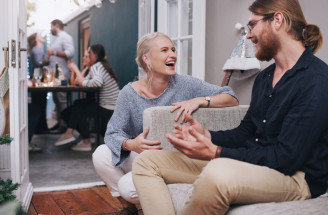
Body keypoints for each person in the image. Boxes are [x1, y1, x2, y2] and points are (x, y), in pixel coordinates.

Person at [132, 0, 328, 214]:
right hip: (258, 163)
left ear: (277, 20)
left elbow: (286, 159)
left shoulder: (316, 80)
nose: (249, 36)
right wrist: (207, 135)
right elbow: (246, 132)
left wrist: (216, 152)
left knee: (218, 171)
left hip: (297, 178)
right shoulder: (265, 77)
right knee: (146, 162)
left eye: (252, 25)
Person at [92, 32, 238, 214]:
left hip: (173, 159)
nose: (173, 55)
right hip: (141, 154)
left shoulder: (186, 84)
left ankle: (152, 192)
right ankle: (128, 208)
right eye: (164, 50)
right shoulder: (128, 94)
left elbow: (231, 97)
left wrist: (201, 100)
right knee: (100, 154)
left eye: (173, 50)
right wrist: (132, 144)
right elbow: (112, 133)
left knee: (126, 186)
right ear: (147, 58)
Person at [54, 44, 120, 151]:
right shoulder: (100, 66)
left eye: (88, 53)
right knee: (78, 105)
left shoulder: (97, 66)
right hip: (110, 105)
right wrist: (83, 78)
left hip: (108, 107)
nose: (86, 56)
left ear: (94, 54)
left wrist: (82, 79)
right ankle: (76, 135)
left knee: (78, 108)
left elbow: (97, 82)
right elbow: (78, 82)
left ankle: (77, 137)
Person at [45, 19, 74, 134]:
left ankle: (64, 126)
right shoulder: (57, 38)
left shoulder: (65, 37)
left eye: (51, 26)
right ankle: (59, 123)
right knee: (57, 100)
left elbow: (70, 53)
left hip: (62, 75)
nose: (50, 29)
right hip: (55, 76)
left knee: (62, 101)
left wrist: (54, 53)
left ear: (56, 25)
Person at [27, 33, 49, 152]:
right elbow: (40, 64)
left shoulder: (36, 49)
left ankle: (39, 128)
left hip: (37, 79)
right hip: (38, 80)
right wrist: (49, 56)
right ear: (36, 39)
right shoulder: (37, 49)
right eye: (40, 35)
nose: (42, 36)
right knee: (38, 108)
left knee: (38, 107)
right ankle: (38, 130)